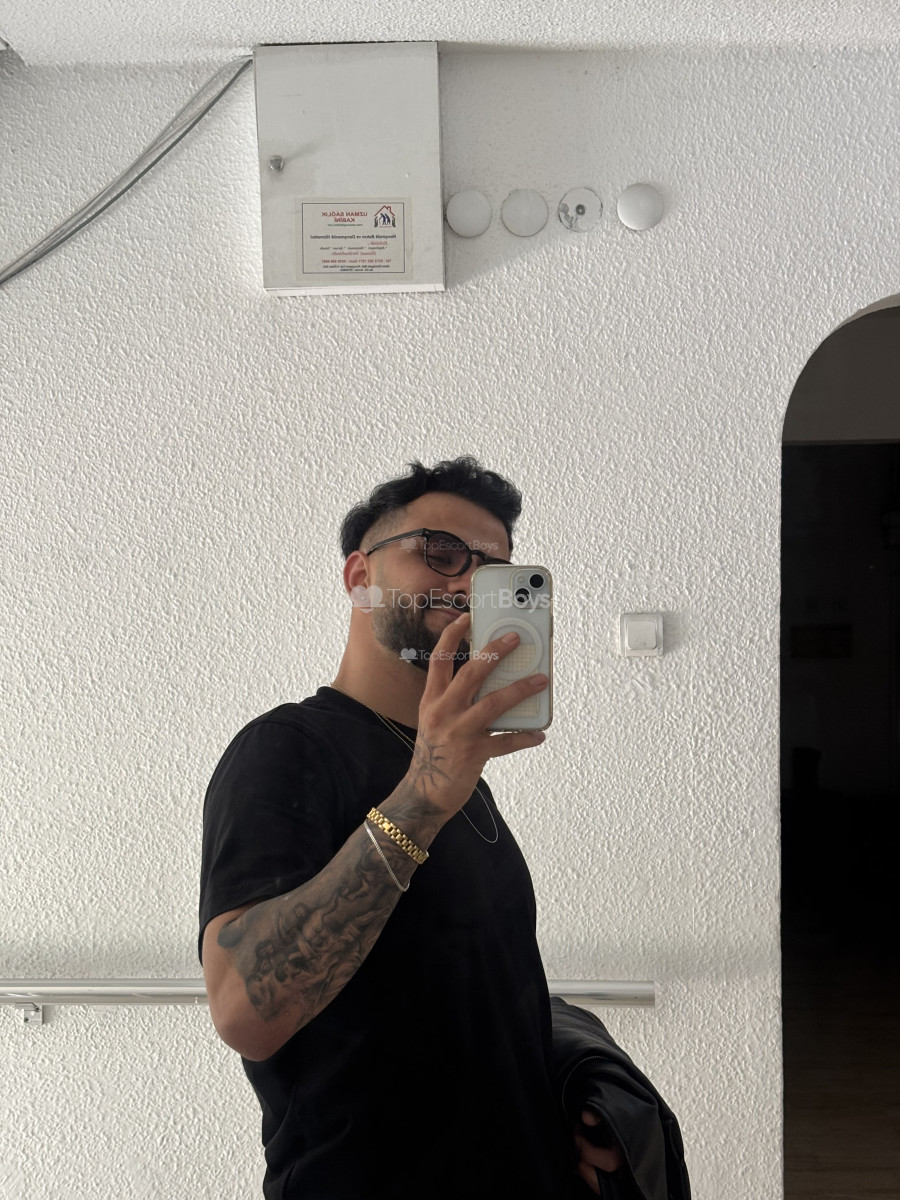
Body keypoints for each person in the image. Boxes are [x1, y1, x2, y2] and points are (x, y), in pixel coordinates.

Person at [199, 457, 624, 1198]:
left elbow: (471, 995)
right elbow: (244, 1010)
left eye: (492, 567)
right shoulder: (289, 749)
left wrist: (555, 1115)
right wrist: (426, 793)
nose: (468, 583)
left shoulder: (453, 766)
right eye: (441, 551)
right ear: (360, 575)